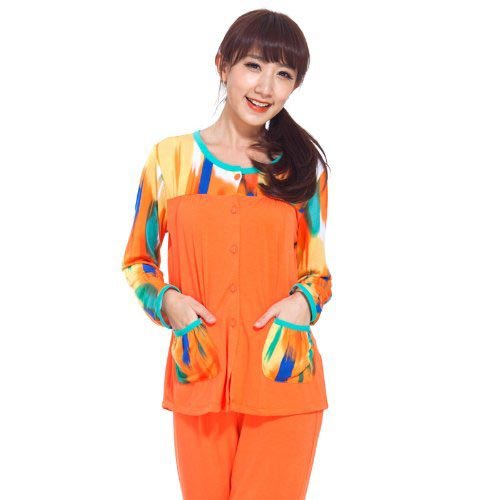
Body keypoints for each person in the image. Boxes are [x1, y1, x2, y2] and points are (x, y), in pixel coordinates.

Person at [121, 8, 333, 500]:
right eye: (254, 66)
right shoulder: (170, 160)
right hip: (201, 372)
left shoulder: (302, 170)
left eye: (284, 74)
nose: (265, 87)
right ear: (223, 64)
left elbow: (317, 274)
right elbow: (138, 262)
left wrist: (302, 304)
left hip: (282, 378)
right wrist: (169, 303)